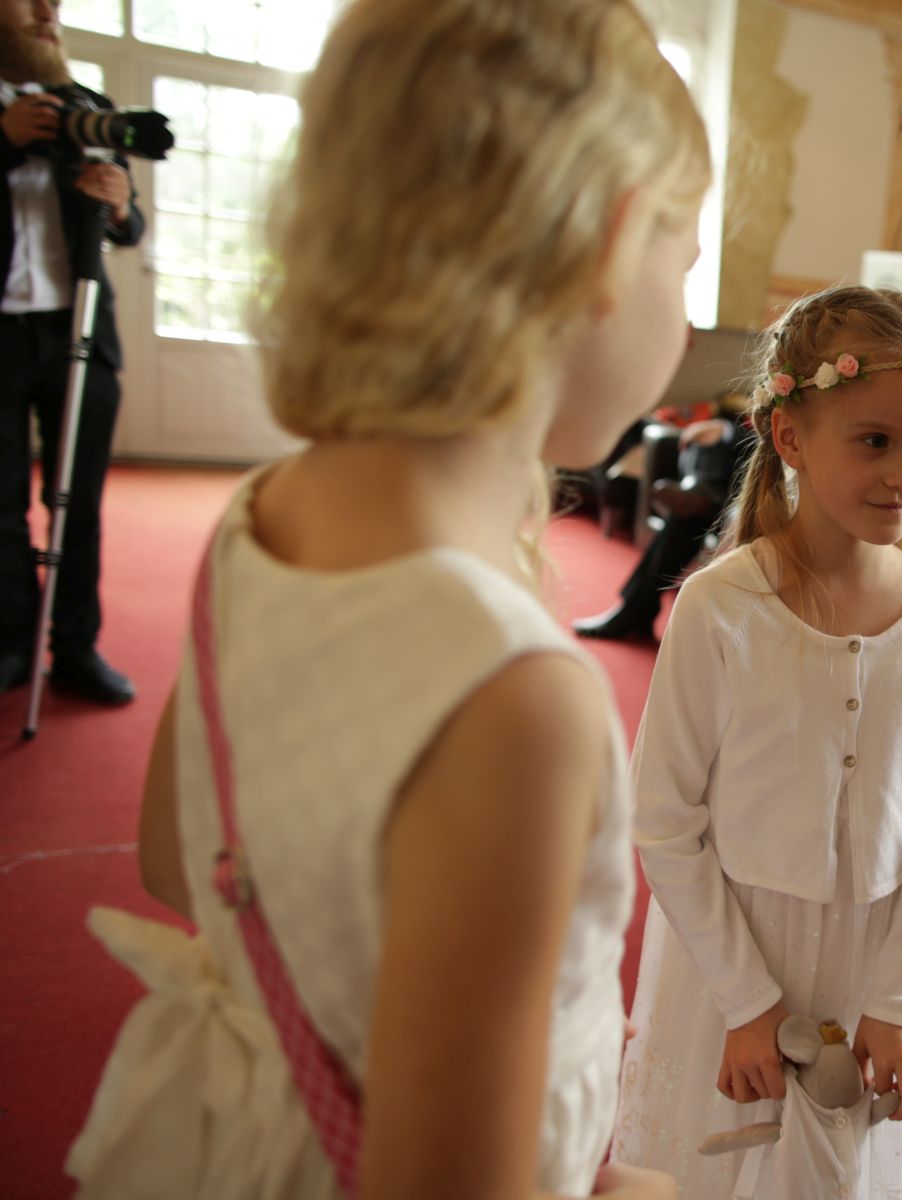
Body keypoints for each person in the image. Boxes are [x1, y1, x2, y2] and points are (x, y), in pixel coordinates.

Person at [64, 2, 699, 1197]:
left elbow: (176, 857)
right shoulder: (515, 700)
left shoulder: (265, 513)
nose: (687, 303)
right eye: (689, 258)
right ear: (610, 246)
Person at [613, 285, 902, 1199]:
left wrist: (901, 995)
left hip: (869, 972)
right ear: (790, 437)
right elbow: (663, 818)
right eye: (876, 440)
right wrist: (748, 1001)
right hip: (730, 965)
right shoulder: (720, 607)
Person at [0, 0, 146, 704]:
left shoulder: (87, 108)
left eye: (56, 2)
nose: (48, 11)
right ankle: (11, 644)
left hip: (80, 331)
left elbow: (131, 227)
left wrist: (119, 205)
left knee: (78, 503)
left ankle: (76, 648)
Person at [574, 403, 753, 642]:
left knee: (687, 514)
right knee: (689, 508)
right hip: (727, 487)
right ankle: (700, 492)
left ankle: (636, 611)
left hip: (749, 491)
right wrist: (722, 428)